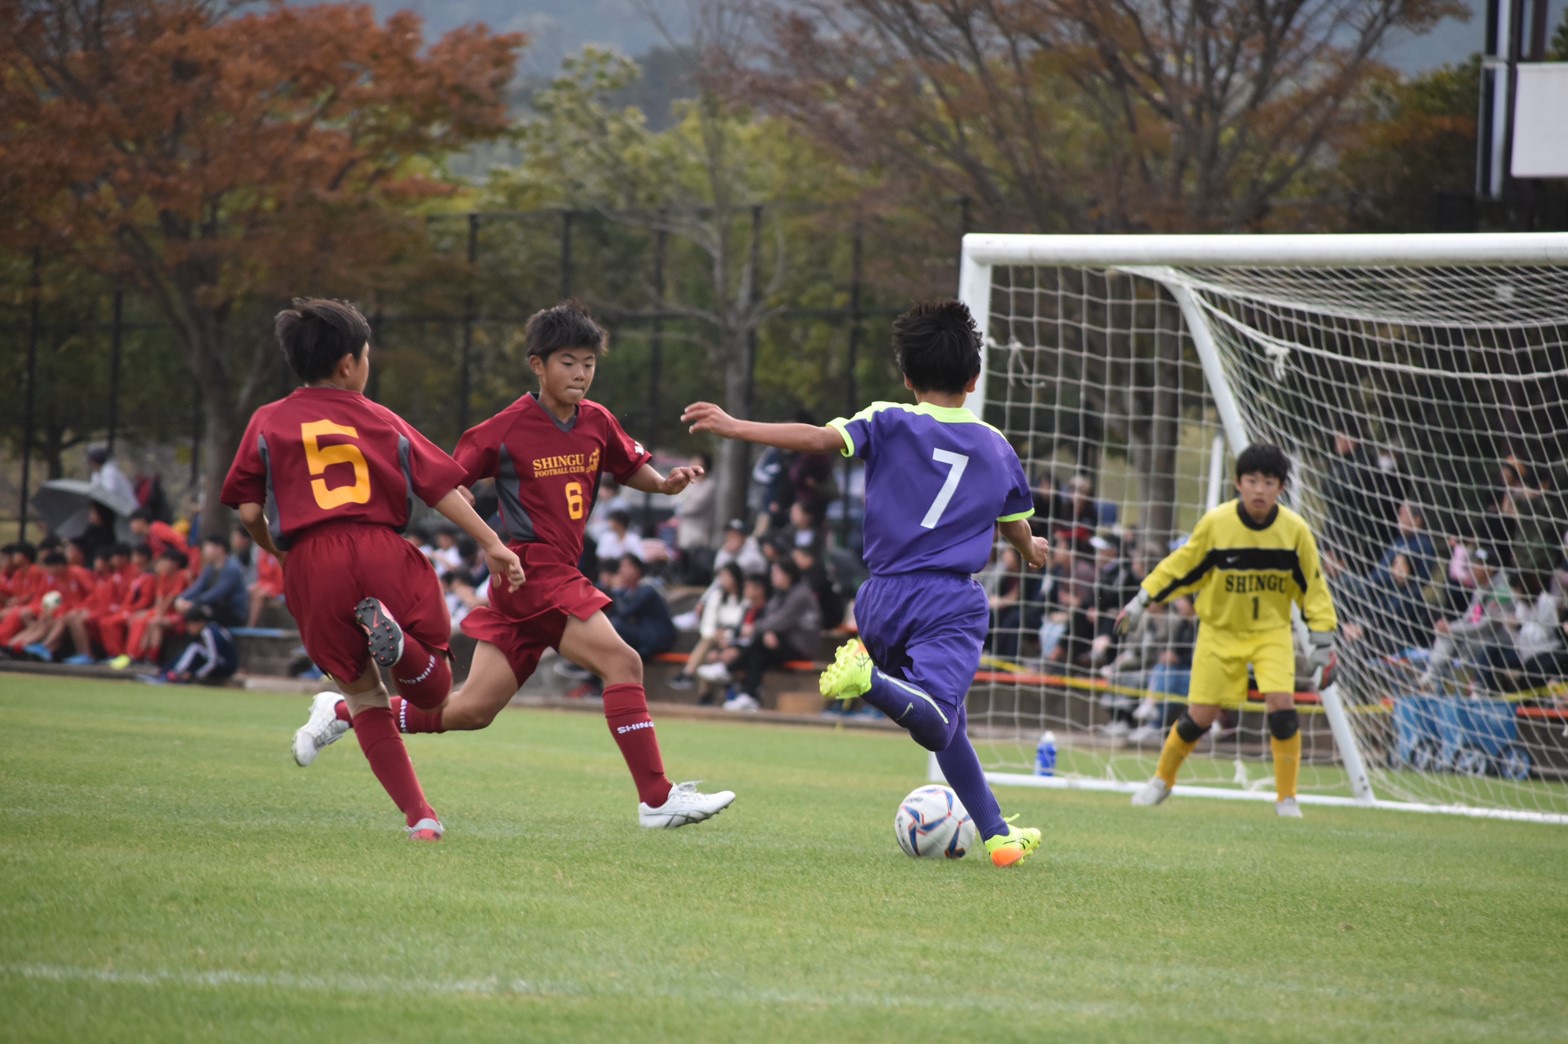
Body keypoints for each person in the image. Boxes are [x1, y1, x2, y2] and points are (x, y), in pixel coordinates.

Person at [302, 300, 735, 829]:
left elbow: (632, 467)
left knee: (471, 711)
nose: (580, 374)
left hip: (530, 584)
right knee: (624, 665)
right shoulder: (504, 428)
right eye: (568, 362)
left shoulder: (597, 420)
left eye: (589, 364)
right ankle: (657, 797)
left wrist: (665, 484)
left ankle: (342, 711)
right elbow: (449, 482)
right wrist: (483, 538)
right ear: (538, 364)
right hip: (536, 572)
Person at [684, 298, 1048, 867]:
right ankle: (868, 680)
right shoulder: (995, 446)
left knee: (951, 726)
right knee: (937, 721)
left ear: (906, 378)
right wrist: (1031, 549)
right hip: (949, 600)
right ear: (974, 380)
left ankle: (999, 836)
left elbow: (816, 439)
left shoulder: (889, 418)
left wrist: (735, 426)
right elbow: (1012, 521)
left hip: (880, 596)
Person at [223, 297, 527, 842]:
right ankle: (400, 643)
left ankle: (422, 819)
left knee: (365, 697)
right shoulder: (378, 416)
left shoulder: (266, 420)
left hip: (312, 561)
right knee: (435, 690)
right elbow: (440, 490)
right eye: (367, 357)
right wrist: (492, 544)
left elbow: (248, 511)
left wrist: (280, 553)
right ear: (348, 364)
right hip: (382, 547)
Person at [1116, 443, 1338, 818]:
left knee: (1282, 706)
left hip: (1271, 632)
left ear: (1281, 488)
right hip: (1219, 632)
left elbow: (1313, 588)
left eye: (1268, 482)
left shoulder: (1295, 532)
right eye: (1251, 480)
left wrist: (1322, 638)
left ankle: (1287, 799)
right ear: (1237, 482)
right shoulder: (1217, 524)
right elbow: (1182, 566)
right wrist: (1142, 599)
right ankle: (1161, 781)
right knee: (1199, 716)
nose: (1259, 489)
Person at [695, 557, 821, 713]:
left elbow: (781, 620)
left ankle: (729, 670)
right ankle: (749, 696)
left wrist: (757, 629)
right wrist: (765, 630)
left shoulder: (800, 594)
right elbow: (769, 617)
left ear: (787, 575)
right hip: (780, 641)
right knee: (759, 653)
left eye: (776, 573)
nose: (773, 577)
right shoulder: (780, 593)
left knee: (761, 641)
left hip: (801, 645)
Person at [667, 562, 748, 692]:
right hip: (716, 638)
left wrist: (727, 636)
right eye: (721, 576)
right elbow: (707, 625)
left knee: (713, 655)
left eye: (726, 576)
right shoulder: (717, 596)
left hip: (736, 639)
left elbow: (743, 624)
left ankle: (690, 676)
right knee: (709, 648)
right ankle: (701, 690)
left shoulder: (746, 598)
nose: (723, 580)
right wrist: (717, 635)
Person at [174, 534, 248, 630]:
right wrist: (181, 598)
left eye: (207, 546)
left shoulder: (232, 568)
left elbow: (218, 593)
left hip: (231, 612)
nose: (204, 550)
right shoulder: (210, 568)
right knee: (189, 613)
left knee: (195, 614)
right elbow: (198, 587)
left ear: (219, 548)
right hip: (215, 607)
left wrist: (193, 603)